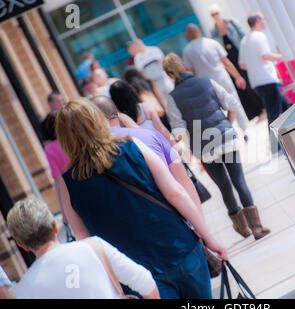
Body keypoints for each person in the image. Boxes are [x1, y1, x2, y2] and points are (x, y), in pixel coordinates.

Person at [55, 98, 228, 299]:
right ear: (96, 121)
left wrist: (115, 287)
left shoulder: (67, 183)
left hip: (137, 275)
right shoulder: (132, 146)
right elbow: (176, 193)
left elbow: (84, 240)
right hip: (180, 247)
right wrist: (209, 237)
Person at [163, 53, 271, 241]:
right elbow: (231, 103)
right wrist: (228, 124)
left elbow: (179, 128)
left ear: (169, 75)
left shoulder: (172, 98)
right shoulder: (207, 82)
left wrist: (186, 147)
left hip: (204, 145)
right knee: (239, 181)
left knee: (224, 186)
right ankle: (257, 228)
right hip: (226, 137)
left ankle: (242, 228)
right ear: (184, 67)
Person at [6, 197, 160, 299]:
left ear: (22, 245)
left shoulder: (24, 290)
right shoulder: (93, 247)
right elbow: (145, 282)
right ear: (55, 226)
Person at [90, 95, 202, 212]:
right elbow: (183, 180)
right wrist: (200, 221)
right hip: (177, 209)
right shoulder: (149, 135)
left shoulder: (94, 158)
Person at [183, 24, 250, 141]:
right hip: (222, 78)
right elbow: (227, 62)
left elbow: (190, 72)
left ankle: (229, 132)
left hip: (206, 85)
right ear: (199, 31)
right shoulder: (212, 43)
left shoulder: (187, 51)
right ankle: (245, 130)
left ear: (188, 36)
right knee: (234, 102)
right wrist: (238, 76)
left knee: (216, 109)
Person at [239, 12, 291, 152]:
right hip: (267, 79)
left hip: (256, 82)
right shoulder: (259, 36)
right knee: (274, 113)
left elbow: (243, 65)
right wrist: (283, 55)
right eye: (263, 19)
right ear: (257, 21)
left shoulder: (244, 40)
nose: (264, 22)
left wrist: (255, 64)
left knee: (287, 106)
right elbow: (266, 56)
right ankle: (276, 146)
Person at [209, 4, 266, 122]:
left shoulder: (231, 23)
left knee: (249, 81)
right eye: (213, 15)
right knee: (240, 86)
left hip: (240, 57)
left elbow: (243, 37)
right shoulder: (213, 32)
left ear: (220, 12)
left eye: (216, 13)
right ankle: (254, 113)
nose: (215, 16)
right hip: (229, 62)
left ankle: (263, 108)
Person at [109, 80, 176, 146]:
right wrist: (174, 145)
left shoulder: (119, 119)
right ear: (131, 92)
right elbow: (162, 130)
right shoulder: (146, 107)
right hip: (160, 145)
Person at [132, 39, 174, 104]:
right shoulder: (137, 58)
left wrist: (170, 76)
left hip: (164, 77)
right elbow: (141, 73)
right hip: (154, 83)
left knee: (174, 95)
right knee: (166, 102)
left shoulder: (154, 50)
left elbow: (164, 62)